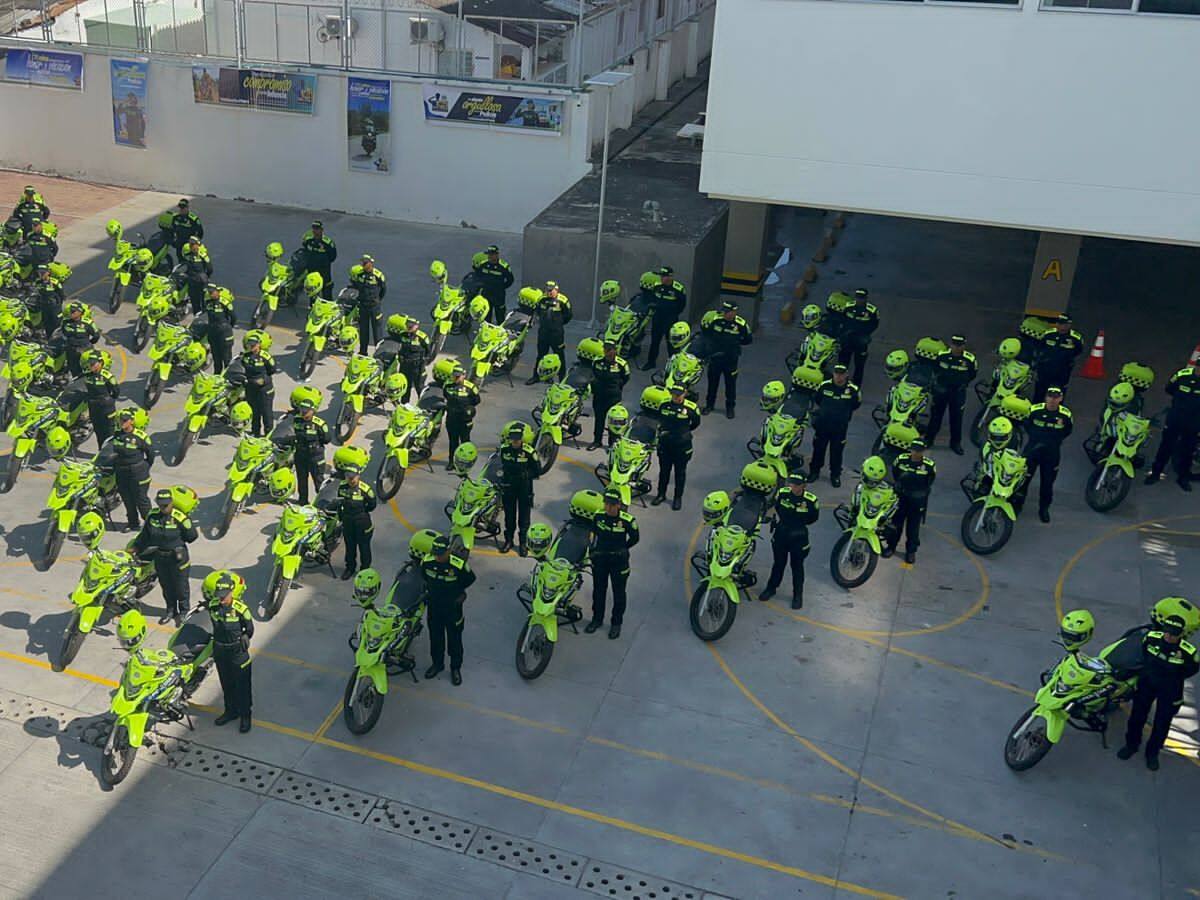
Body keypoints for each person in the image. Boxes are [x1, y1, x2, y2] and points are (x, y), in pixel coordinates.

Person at [1119, 613, 1199, 771]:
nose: (1169, 637)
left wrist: (1172, 678)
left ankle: (1152, 754)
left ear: (1181, 635)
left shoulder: (1188, 653)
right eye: (1167, 632)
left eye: (1174, 634)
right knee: (1137, 716)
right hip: (1147, 684)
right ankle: (1131, 745)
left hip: (1170, 690)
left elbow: (1191, 670)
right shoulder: (1151, 638)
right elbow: (1144, 653)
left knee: (1162, 724)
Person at [132, 488, 198, 625]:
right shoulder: (152, 516)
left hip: (178, 559)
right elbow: (144, 536)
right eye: (161, 505)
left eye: (166, 505)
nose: (163, 507)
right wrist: (135, 548)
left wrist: (178, 541)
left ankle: (184, 612)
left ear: (171, 503)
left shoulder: (180, 518)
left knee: (181, 587)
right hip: (160, 558)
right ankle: (170, 610)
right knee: (167, 587)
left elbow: (192, 536)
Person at [203, 570, 255, 733]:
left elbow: (250, 628)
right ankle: (230, 711)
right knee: (226, 684)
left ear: (232, 593)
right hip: (220, 650)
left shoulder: (241, 609)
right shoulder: (213, 606)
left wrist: (246, 636)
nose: (222, 598)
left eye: (225, 595)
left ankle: (245, 715)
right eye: (220, 595)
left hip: (237, 651)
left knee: (242, 685)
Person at [420, 535, 476, 685]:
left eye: (440, 554)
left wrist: (460, 594)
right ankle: (437, 664)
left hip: (452, 609)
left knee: (455, 640)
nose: (437, 557)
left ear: (448, 551)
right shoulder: (427, 562)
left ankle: (455, 668)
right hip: (434, 607)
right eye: (435, 554)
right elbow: (423, 577)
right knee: (435, 638)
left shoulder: (458, 565)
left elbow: (470, 579)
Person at [760, 472, 820, 608]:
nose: (793, 487)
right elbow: (778, 507)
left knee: (797, 567)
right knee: (778, 564)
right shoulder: (783, 493)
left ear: (804, 485)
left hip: (799, 536)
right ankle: (771, 588)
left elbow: (813, 518)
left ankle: (797, 595)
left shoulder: (811, 501)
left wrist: (796, 523)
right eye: (791, 483)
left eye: (796, 485)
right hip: (782, 532)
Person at [587, 488, 640, 639]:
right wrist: (592, 549)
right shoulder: (598, 516)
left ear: (618, 505)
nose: (608, 507)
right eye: (606, 504)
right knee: (598, 591)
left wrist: (624, 548)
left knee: (619, 594)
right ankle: (597, 619)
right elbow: (592, 533)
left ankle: (616, 624)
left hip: (619, 562)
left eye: (612, 505)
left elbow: (635, 538)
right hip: (601, 559)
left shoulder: (627, 520)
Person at [1145, 357, 1200, 492]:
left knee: (1188, 450)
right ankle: (1156, 473)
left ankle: (1183, 477)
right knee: (1166, 446)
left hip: (1194, 422)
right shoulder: (1182, 375)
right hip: (1176, 418)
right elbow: (1169, 389)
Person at [1024, 387, 1073, 523]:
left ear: (1061, 399)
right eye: (1050, 397)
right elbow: (1026, 425)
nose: (1052, 400)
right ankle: (1017, 504)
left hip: (1051, 453)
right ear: (1045, 397)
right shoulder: (1035, 410)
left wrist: (1053, 441)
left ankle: (1044, 509)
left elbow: (1067, 431)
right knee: (1023, 479)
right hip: (1033, 450)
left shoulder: (1065, 415)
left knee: (1047, 483)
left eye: (1056, 397)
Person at [808, 364, 861, 488]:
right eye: (836, 373)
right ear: (833, 374)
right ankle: (814, 472)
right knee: (818, 449)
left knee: (837, 451)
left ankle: (835, 475)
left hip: (840, 428)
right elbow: (818, 399)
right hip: (823, 425)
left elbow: (856, 404)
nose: (839, 377)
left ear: (846, 375)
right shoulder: (824, 385)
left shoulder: (853, 390)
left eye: (841, 374)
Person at [924, 335, 977, 455]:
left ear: (964, 345)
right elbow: (935, 369)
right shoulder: (942, 355)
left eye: (960, 345)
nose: (957, 348)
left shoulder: (969, 359)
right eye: (954, 345)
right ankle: (928, 439)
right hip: (941, 391)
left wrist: (962, 383)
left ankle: (955, 443)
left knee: (956, 419)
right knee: (935, 417)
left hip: (958, 392)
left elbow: (972, 374)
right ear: (951, 344)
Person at [886, 439, 936, 564]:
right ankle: (891, 546)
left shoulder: (929, 465)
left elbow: (930, 480)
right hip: (901, 496)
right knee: (896, 523)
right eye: (914, 450)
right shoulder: (901, 460)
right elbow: (895, 472)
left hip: (917, 500)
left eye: (918, 451)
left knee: (913, 528)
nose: (915, 453)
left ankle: (911, 551)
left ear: (923, 452)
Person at [653, 384, 702, 510]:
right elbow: (659, 419)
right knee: (664, 471)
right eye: (674, 394)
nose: (677, 397)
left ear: (685, 393)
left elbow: (695, 423)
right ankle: (661, 494)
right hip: (665, 444)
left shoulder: (691, 407)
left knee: (680, 473)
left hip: (681, 446)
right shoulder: (663, 405)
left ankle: (677, 498)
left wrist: (683, 432)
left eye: (679, 394)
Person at [700, 300, 753, 418]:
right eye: (725, 311)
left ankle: (730, 408)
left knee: (730, 385)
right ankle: (709, 405)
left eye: (728, 312)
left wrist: (734, 344)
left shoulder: (741, 324)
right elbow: (706, 332)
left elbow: (748, 339)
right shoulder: (716, 320)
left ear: (734, 312)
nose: (726, 314)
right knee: (712, 383)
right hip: (715, 358)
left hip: (731, 360)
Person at [498, 423, 539, 554]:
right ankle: (508, 541)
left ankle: (523, 544)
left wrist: (527, 474)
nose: (515, 441)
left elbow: (538, 470)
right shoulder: (504, 449)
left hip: (524, 487)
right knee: (509, 516)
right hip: (509, 486)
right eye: (513, 438)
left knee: (524, 517)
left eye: (517, 438)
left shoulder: (529, 452)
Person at [109, 410, 154, 531]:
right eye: (121, 420)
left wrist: (143, 467)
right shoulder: (117, 435)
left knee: (141, 500)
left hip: (138, 473)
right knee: (127, 500)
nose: (122, 423)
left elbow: (150, 455)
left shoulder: (140, 436)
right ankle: (133, 523)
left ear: (132, 421)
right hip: (121, 472)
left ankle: (151, 526)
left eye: (125, 420)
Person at [336, 458, 377, 579]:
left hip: (362, 522)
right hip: (348, 521)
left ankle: (365, 570)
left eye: (353, 477)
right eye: (348, 477)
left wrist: (361, 513)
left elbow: (372, 505)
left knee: (364, 548)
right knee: (350, 547)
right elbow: (340, 502)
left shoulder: (365, 490)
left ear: (358, 476)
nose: (351, 480)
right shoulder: (342, 487)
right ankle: (350, 568)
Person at [525, 281, 572, 385]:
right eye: (548, 290)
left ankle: (561, 380)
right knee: (541, 355)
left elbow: (568, 315)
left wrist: (558, 324)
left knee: (559, 356)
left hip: (557, 333)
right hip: (543, 332)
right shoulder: (541, 299)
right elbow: (537, 312)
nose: (550, 293)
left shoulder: (563, 300)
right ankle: (536, 376)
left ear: (556, 290)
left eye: (551, 290)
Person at [642, 266, 687, 371]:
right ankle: (651, 362)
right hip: (658, 318)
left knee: (672, 343)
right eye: (662, 276)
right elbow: (652, 298)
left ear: (671, 277)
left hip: (670, 319)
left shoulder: (678, 289)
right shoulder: (657, 286)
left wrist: (672, 313)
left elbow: (682, 305)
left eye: (666, 276)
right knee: (655, 341)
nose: (663, 278)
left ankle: (674, 366)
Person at [588, 339, 630, 450]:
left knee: (614, 421)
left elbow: (626, 378)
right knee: (599, 419)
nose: (607, 352)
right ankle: (597, 441)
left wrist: (616, 387)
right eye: (605, 349)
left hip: (613, 397)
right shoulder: (597, 361)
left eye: (610, 349)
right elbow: (593, 374)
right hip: (599, 395)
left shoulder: (621, 364)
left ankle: (612, 443)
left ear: (615, 350)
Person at [290, 386, 328, 505]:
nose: (304, 413)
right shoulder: (296, 420)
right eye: (302, 410)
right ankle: (303, 501)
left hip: (315, 457)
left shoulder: (319, 424)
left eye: (306, 411)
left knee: (319, 481)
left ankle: (321, 503)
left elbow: (326, 438)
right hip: (301, 455)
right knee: (302, 480)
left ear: (313, 411)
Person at [833, 289, 879, 387]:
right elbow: (842, 320)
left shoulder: (871, 311)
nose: (859, 300)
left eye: (862, 298)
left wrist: (865, 334)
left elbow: (874, 324)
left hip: (861, 342)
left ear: (866, 299)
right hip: (847, 341)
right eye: (858, 298)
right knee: (843, 363)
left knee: (859, 366)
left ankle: (856, 386)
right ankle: (840, 383)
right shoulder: (848, 307)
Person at [1033, 314, 1084, 401]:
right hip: (1045, 368)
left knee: (1059, 391)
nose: (1060, 326)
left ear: (1069, 325)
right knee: (1040, 390)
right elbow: (1039, 347)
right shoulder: (1048, 334)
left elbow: (1078, 351)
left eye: (1063, 324)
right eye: (1059, 323)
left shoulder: (1075, 338)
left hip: (1062, 370)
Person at [240, 331, 276, 437]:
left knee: (266, 413)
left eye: (253, 345)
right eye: (249, 344)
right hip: (251, 388)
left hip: (264, 389)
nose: (251, 347)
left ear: (259, 345)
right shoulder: (245, 356)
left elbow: (272, 370)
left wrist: (263, 380)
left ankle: (268, 435)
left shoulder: (265, 357)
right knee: (254, 411)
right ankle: (255, 432)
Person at [443, 364, 480, 464]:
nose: (456, 378)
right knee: (453, 442)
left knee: (465, 441)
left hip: (465, 420)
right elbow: (446, 396)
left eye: (458, 376)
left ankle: (467, 461)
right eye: (454, 376)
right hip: (452, 419)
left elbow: (476, 400)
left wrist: (467, 409)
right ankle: (452, 462)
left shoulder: (470, 387)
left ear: (464, 375)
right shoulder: (447, 385)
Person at [349, 254, 386, 352]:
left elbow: (383, 290)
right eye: (363, 263)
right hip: (363, 306)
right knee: (364, 331)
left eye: (366, 263)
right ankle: (363, 351)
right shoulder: (359, 275)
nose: (364, 265)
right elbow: (355, 286)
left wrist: (377, 300)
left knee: (377, 332)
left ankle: (379, 353)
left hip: (374, 307)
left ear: (371, 263)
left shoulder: (378, 275)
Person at [83, 350, 120, 447]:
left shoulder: (107, 376)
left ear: (100, 363)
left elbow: (116, 391)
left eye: (93, 363)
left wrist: (109, 400)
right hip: (94, 407)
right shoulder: (87, 374)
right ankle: (101, 451)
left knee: (110, 432)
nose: (91, 366)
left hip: (106, 408)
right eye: (90, 363)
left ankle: (111, 453)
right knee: (99, 432)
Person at [473, 245, 514, 324]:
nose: (490, 256)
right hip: (486, 295)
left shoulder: (503, 266)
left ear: (497, 255)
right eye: (489, 254)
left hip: (498, 296)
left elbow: (510, 280)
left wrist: (501, 287)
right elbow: (477, 276)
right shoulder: (483, 264)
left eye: (492, 254)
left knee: (500, 317)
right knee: (486, 317)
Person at [59, 301, 100, 377]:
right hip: (71, 349)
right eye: (70, 311)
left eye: (73, 311)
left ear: (79, 312)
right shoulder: (66, 322)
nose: (71, 313)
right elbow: (63, 332)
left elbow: (96, 335)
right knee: (73, 368)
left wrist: (89, 343)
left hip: (84, 349)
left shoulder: (88, 323)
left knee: (88, 368)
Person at [202, 284, 237, 374]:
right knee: (216, 358)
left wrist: (228, 327)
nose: (211, 294)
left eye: (212, 292)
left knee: (226, 358)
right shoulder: (207, 302)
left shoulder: (224, 302)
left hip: (224, 332)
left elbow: (233, 317)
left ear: (217, 292)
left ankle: (227, 377)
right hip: (213, 332)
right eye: (209, 293)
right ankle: (216, 376)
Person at [396, 317, 431, 404]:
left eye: (411, 327)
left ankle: (423, 406)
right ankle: (404, 405)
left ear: (416, 326)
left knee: (419, 387)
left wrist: (423, 363)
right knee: (405, 387)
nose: (409, 328)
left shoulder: (422, 337)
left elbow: (428, 352)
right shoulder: (402, 335)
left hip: (417, 367)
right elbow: (400, 348)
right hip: (405, 366)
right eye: (407, 326)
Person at [300, 220, 337, 300]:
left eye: (317, 229)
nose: (315, 231)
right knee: (312, 287)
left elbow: (333, 256)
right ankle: (313, 305)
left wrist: (324, 262)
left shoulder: (327, 243)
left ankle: (328, 305)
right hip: (312, 268)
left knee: (326, 287)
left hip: (324, 269)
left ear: (322, 230)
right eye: (314, 228)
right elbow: (305, 248)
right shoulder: (308, 239)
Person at [180, 235, 212, 315]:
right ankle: (203, 315)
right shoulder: (203, 255)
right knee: (204, 300)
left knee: (195, 302)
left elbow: (184, 265)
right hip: (202, 280)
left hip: (193, 281)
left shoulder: (187, 256)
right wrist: (206, 275)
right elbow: (210, 268)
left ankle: (197, 315)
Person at [33, 265, 64, 339]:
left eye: (43, 273)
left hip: (54, 308)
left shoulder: (55, 282)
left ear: (48, 273)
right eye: (40, 273)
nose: (41, 275)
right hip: (43, 308)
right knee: (46, 324)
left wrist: (57, 305)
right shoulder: (37, 283)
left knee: (56, 324)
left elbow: (61, 295)